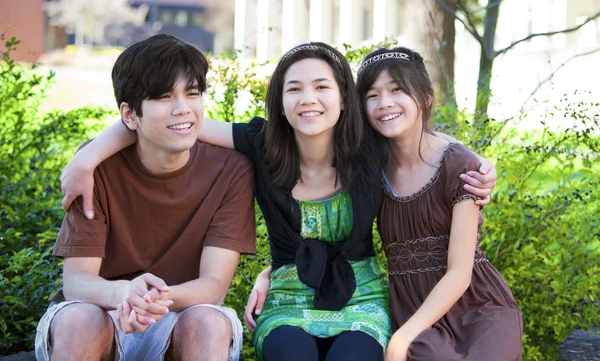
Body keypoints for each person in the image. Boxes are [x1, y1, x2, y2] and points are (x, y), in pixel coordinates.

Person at [60, 42, 496, 361]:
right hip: (288, 297)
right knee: (291, 355)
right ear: (280, 103)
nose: (309, 99)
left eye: (322, 86)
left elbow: (422, 142)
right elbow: (175, 122)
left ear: (344, 99)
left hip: (360, 297)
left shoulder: (367, 148)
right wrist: (87, 157)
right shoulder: (261, 144)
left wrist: (476, 165)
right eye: (294, 89)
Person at [35, 34, 257, 361]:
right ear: (130, 115)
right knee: (80, 319)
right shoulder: (97, 167)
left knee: (209, 321)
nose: (183, 109)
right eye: (164, 97)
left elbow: (213, 286)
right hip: (104, 308)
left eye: (192, 93)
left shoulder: (231, 170)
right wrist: (124, 293)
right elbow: (77, 282)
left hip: (182, 310)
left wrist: (150, 298)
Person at [356, 46, 523, 361]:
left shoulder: (459, 165)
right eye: (372, 95)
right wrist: (275, 269)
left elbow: (460, 273)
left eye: (397, 90)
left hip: (478, 306)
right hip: (416, 309)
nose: (385, 103)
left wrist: (402, 336)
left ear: (426, 98)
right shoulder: (368, 170)